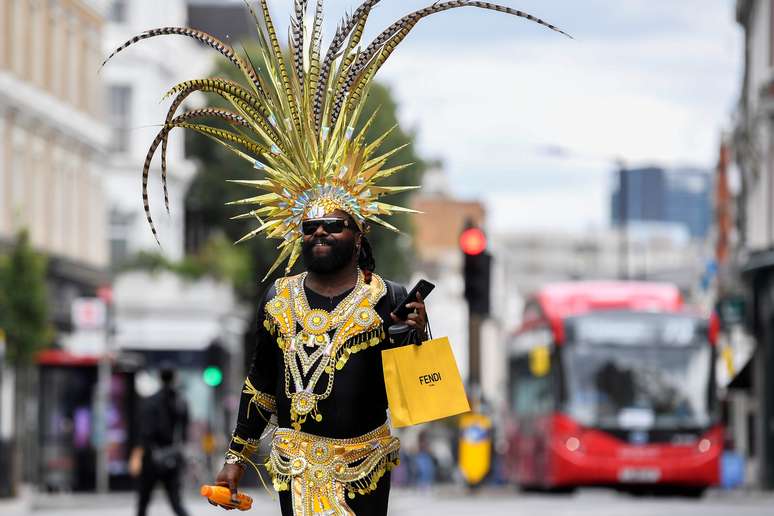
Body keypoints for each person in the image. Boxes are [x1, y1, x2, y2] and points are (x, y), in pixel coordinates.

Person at [103, 2, 568, 513]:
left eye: (333, 226)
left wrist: (419, 336)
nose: (320, 234)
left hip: (364, 468)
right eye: (311, 227)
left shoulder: (387, 297)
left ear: (358, 231)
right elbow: (260, 384)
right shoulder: (280, 298)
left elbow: (419, 401)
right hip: (295, 468)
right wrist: (236, 456)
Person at [129, 368, 190, 516]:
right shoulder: (180, 401)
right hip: (172, 456)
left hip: (151, 456)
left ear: (159, 378)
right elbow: (184, 431)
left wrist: (139, 453)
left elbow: (144, 432)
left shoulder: (150, 402)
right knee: (176, 502)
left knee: (143, 502)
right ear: (174, 377)